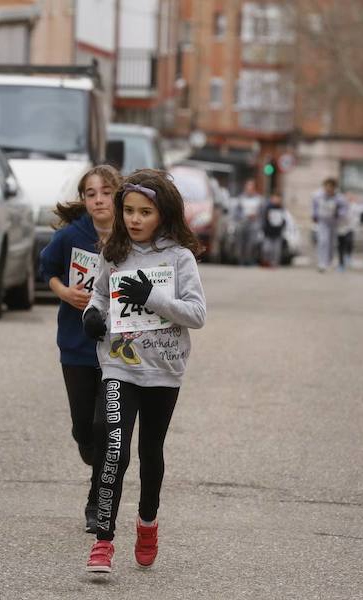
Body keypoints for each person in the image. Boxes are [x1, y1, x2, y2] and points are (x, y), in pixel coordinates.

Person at [80, 169, 207, 573]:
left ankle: (147, 522)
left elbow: (197, 313)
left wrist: (151, 296)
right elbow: (99, 294)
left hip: (163, 369)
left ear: (163, 214)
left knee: (150, 451)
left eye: (145, 212)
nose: (134, 220)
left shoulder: (179, 258)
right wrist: (91, 316)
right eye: (129, 211)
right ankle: (103, 540)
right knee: (113, 445)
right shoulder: (114, 251)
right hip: (119, 364)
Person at [38, 165, 121, 534]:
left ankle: (95, 501)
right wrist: (64, 291)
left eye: (106, 191)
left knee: (107, 427)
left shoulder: (131, 235)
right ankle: (93, 456)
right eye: (91, 193)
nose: (99, 199)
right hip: (77, 345)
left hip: (121, 348)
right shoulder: (73, 235)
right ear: (84, 199)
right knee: (84, 430)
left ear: (119, 194)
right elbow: (47, 268)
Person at [311, 178, 347, 272]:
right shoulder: (317, 195)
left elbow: (344, 210)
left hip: (333, 223)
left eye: (331, 187)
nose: (328, 189)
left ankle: (329, 261)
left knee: (331, 243)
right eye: (326, 186)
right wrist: (314, 216)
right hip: (322, 222)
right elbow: (314, 206)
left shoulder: (339, 198)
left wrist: (339, 214)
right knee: (323, 241)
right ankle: (321, 263)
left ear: (334, 188)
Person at [235, 180, 264, 266]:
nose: (249, 189)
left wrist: (256, 217)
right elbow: (236, 212)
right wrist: (242, 216)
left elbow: (262, 212)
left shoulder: (259, 199)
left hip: (254, 224)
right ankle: (241, 260)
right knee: (241, 243)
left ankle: (250, 260)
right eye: (247, 187)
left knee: (252, 243)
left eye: (251, 188)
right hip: (243, 223)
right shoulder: (241, 198)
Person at [260, 192, 287, 267]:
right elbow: (263, 219)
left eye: (278, 199)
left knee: (276, 250)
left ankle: (274, 263)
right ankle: (266, 261)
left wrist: (282, 226)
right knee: (267, 249)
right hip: (268, 232)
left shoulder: (281, 208)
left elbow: (284, 220)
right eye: (275, 198)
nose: (276, 200)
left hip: (277, 232)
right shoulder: (267, 208)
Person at [336, 200, 355, 272]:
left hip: (348, 230)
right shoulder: (337, 211)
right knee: (341, 248)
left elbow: (350, 220)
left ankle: (347, 257)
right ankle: (341, 264)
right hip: (340, 232)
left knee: (348, 244)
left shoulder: (349, 210)